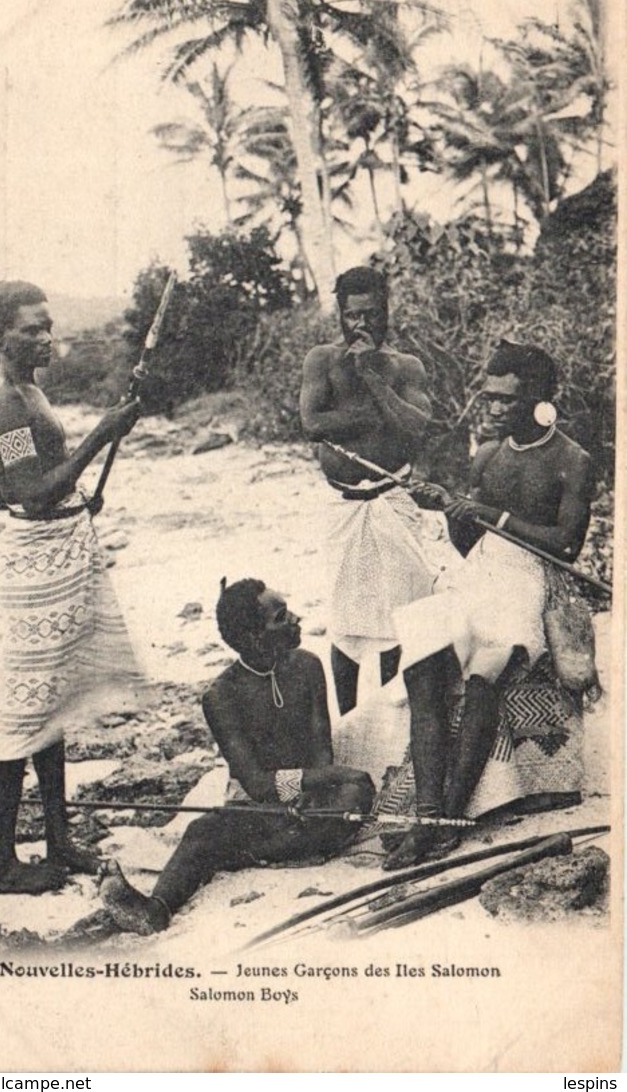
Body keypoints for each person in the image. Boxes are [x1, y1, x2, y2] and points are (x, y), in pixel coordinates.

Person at [385, 340, 594, 867]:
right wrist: (452, 512)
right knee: (424, 656)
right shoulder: (487, 455)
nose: (493, 407)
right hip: (478, 574)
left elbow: (567, 544)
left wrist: (492, 517)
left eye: (506, 400)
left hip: (532, 578)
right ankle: (426, 817)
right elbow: (466, 543)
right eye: (489, 397)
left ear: (541, 399)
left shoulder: (573, 460)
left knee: (484, 676)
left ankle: (451, 818)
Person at [0, 280, 143, 894]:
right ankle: (1, 864)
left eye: (48, 324)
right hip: (37, 564)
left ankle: (56, 838)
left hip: (56, 547)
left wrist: (81, 500)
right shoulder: (3, 404)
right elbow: (26, 492)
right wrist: (102, 434)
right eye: (30, 329)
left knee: (49, 703)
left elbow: (12, 485)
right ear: (1, 337)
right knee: (26, 709)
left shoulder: (29, 390)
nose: (46, 336)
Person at [97, 579, 375, 935]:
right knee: (202, 831)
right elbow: (256, 783)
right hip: (259, 807)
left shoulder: (308, 665)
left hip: (314, 803)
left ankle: (249, 853)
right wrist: (301, 791)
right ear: (253, 637)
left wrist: (317, 789)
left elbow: (322, 748)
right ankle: (156, 909)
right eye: (281, 617)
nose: (295, 619)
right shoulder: (221, 696)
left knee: (357, 791)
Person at [299, 265, 448, 746]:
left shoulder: (406, 366)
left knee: (399, 618)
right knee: (346, 621)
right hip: (346, 506)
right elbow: (312, 423)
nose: (361, 324)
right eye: (351, 315)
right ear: (339, 316)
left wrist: (374, 381)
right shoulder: (321, 360)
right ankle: (348, 724)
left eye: (371, 313)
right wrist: (373, 415)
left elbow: (416, 430)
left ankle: (393, 724)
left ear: (387, 311)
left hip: (393, 501)